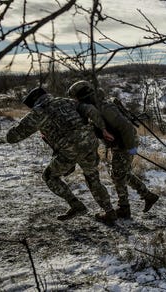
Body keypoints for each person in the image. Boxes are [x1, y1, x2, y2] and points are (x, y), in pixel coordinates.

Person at [6, 87, 117, 224]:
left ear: (33, 102)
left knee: (49, 176)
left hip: (69, 150)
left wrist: (24, 122)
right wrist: (102, 128)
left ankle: (76, 206)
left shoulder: (37, 113)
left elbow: (11, 137)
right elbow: (89, 109)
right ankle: (109, 211)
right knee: (92, 177)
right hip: (89, 143)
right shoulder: (66, 101)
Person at [67, 80, 159, 219]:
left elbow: (126, 127)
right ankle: (147, 196)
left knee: (118, 175)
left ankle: (124, 208)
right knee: (122, 173)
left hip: (125, 143)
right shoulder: (95, 107)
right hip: (120, 143)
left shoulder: (104, 107)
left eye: (76, 98)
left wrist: (130, 148)